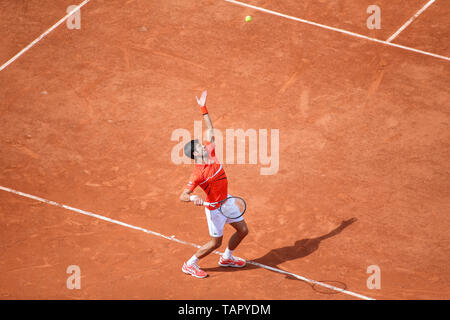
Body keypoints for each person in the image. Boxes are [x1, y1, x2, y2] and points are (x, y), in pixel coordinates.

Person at [179, 90, 249, 278]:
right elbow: (183, 195)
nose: (204, 145)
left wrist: (203, 107)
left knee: (243, 230)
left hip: (226, 201)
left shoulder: (210, 151)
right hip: (214, 209)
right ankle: (189, 264)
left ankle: (227, 258)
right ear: (194, 154)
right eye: (200, 147)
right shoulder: (198, 173)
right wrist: (192, 197)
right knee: (215, 243)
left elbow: (210, 130)